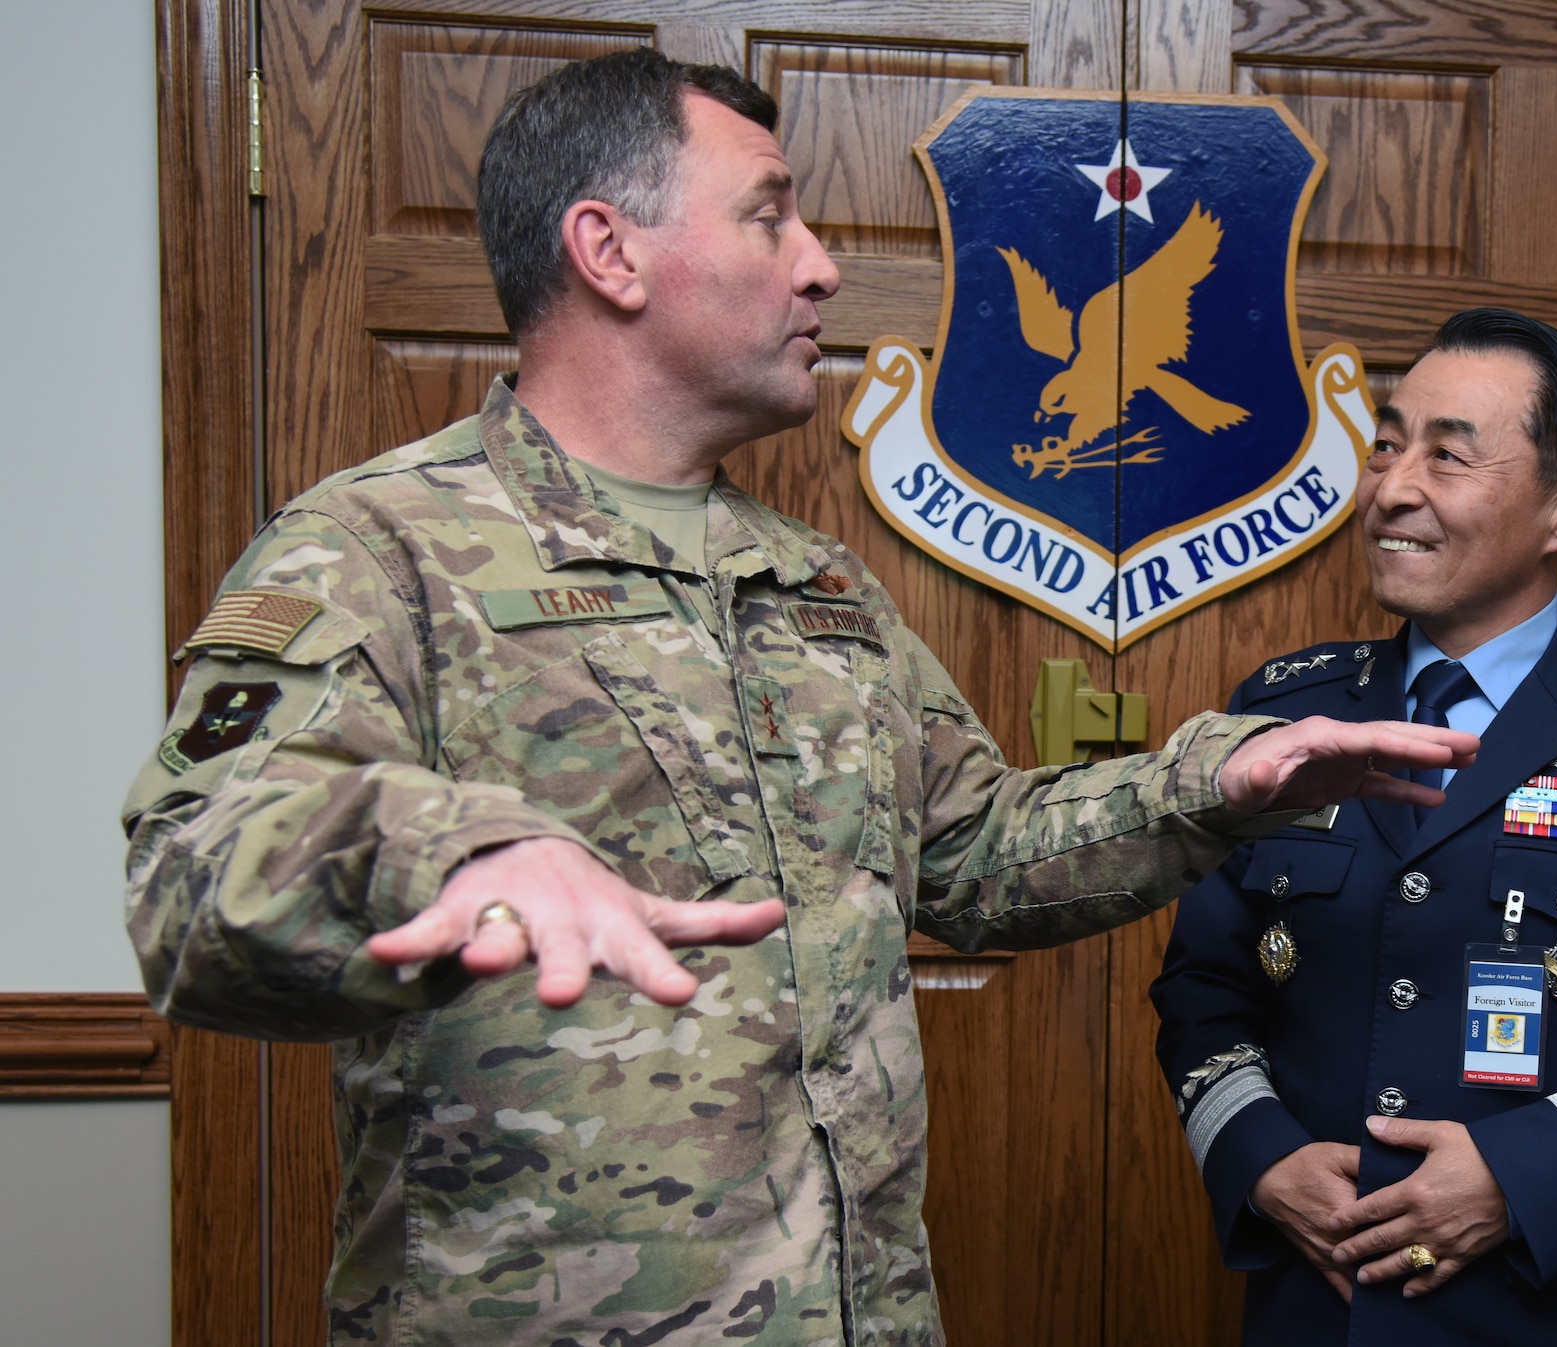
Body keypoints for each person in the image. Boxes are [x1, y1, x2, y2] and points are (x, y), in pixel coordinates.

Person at [121, 51, 1474, 1346]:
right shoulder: (378, 547)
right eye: (770, 215)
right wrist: (464, 846)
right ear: (610, 251)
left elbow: (974, 855)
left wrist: (1215, 787)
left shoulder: (812, 579)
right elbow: (195, 878)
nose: (823, 262)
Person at [1151, 308, 1557, 1345]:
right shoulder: (1287, 713)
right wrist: (1259, 1155)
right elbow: (1202, 986)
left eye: (1446, 455)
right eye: (1384, 446)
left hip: (1555, 1312)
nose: (1391, 489)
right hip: (1311, 1310)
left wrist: (1517, 1179)